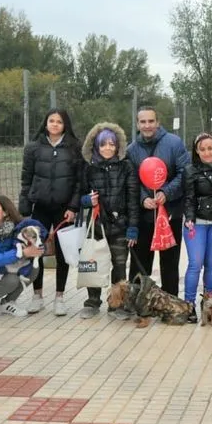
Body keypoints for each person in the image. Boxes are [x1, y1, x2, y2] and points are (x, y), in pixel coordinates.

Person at [18, 109, 83, 316]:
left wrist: (73, 207)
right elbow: (26, 179)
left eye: (59, 122)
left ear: (65, 125)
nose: (55, 125)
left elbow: (79, 182)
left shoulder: (74, 148)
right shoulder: (33, 148)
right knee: (36, 251)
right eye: (51, 121)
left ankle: (60, 297)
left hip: (64, 209)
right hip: (41, 207)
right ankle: (37, 296)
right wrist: (25, 209)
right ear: (45, 123)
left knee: (63, 253)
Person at [77, 122, 140, 319]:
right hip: (96, 224)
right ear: (95, 146)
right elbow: (78, 195)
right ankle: (92, 301)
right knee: (93, 262)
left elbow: (133, 198)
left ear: (118, 146)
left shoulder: (127, 166)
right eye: (103, 144)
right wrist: (86, 200)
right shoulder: (88, 168)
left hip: (120, 225)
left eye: (112, 144)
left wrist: (133, 227)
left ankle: (116, 304)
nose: (108, 148)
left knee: (120, 265)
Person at [126, 107, 190, 296]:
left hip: (170, 212)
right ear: (137, 124)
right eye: (143, 122)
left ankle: (169, 303)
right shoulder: (132, 150)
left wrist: (166, 192)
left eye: (151, 121)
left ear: (158, 122)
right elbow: (132, 181)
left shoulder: (174, 143)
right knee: (140, 262)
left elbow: (184, 173)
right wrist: (143, 198)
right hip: (144, 215)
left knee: (169, 262)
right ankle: (138, 302)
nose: (147, 125)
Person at [182, 133, 212, 323]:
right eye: (202, 149)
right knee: (195, 264)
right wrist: (190, 218)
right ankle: (189, 305)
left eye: (210, 148)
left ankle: (210, 304)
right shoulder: (190, 170)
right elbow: (188, 197)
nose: (207, 152)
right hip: (197, 223)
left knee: (211, 265)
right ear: (196, 151)